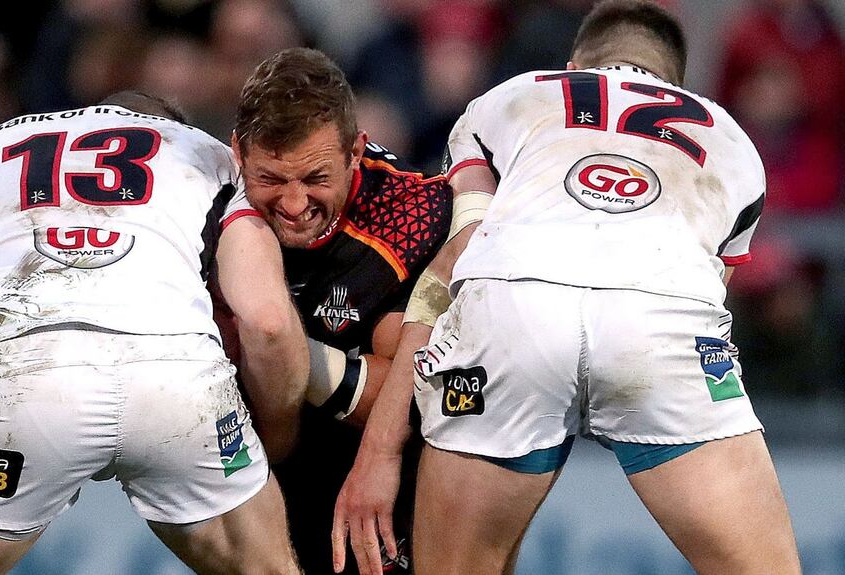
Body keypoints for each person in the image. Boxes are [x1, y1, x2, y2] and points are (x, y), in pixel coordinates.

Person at [334, 2, 802, 574]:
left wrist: (379, 453)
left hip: (513, 311)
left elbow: (453, 264)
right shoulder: (732, 139)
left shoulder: (512, 95)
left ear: (576, 65)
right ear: (678, 85)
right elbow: (711, 288)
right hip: (658, 316)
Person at [0, 91, 307, 575]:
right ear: (165, 125)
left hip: (27, 377)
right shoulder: (207, 153)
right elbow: (267, 322)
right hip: (175, 379)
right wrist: (278, 432)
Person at [223, 48, 452, 574]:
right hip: (246, 463)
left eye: (316, 178)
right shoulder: (204, 199)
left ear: (356, 151)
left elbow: (408, 393)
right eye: (271, 180)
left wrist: (279, 349)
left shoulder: (409, 217)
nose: (295, 205)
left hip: (365, 469)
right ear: (237, 153)